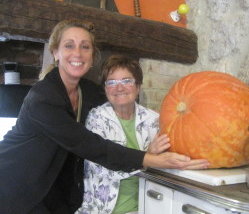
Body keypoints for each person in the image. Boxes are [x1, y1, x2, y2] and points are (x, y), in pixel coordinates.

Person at [0, 19, 210, 214]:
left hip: (53, 189)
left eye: (85, 46)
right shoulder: (42, 97)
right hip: (15, 183)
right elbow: (88, 144)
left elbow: (119, 94)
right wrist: (150, 158)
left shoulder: (88, 92)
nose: (78, 53)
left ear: (92, 55)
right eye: (69, 45)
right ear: (55, 53)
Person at [76, 55, 203, 214]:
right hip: (104, 210)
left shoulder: (154, 119)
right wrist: (148, 156)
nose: (119, 87)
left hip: (148, 205)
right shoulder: (96, 118)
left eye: (127, 81)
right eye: (111, 82)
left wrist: (186, 163)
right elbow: (104, 169)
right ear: (105, 89)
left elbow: (174, 151)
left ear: (138, 86)